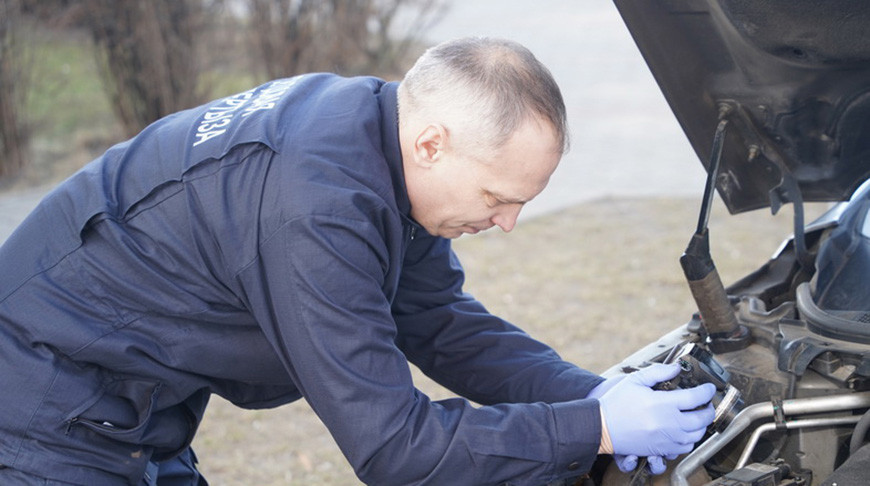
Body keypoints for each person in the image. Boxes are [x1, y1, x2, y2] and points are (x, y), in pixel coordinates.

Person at [0, 37, 715, 485]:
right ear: (432, 144)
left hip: (134, 405)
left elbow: (438, 322)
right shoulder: (316, 206)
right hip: (43, 409)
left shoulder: (377, 141)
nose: (508, 224)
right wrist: (595, 431)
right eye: (497, 197)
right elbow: (395, 450)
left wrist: (591, 395)